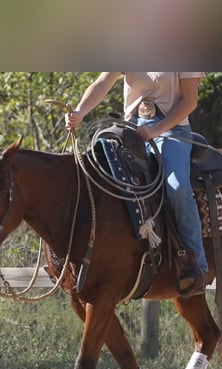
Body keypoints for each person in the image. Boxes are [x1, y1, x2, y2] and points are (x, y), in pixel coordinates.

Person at [66, 72, 208, 297]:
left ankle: (197, 264)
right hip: (129, 129)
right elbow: (102, 83)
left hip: (171, 131)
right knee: (97, 174)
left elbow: (190, 101)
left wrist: (156, 129)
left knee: (177, 187)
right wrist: (80, 112)